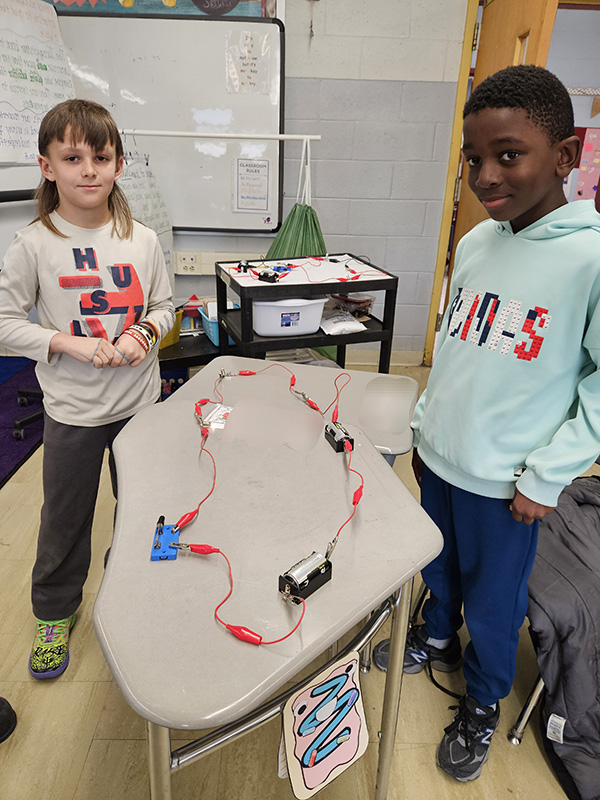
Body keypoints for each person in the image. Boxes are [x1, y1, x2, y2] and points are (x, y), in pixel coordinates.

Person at [374, 65, 600, 782]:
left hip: (509, 486)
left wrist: (549, 473)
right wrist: (424, 424)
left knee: (497, 605)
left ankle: (481, 699)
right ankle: (437, 635)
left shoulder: (589, 258)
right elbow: (460, 355)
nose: (484, 174)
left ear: (565, 156)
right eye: (474, 158)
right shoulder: (476, 243)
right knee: (436, 566)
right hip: (439, 456)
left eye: (509, 155)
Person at [0, 99, 174, 679]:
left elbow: (165, 307)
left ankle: (141, 590)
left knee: (148, 508)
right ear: (48, 166)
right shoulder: (34, 243)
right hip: (72, 411)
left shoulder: (142, 240)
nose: (89, 169)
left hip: (140, 408)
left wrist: (145, 333)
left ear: (119, 165)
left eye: (101, 157)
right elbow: (4, 321)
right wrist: (65, 342)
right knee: (65, 518)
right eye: (73, 157)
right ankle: (54, 612)